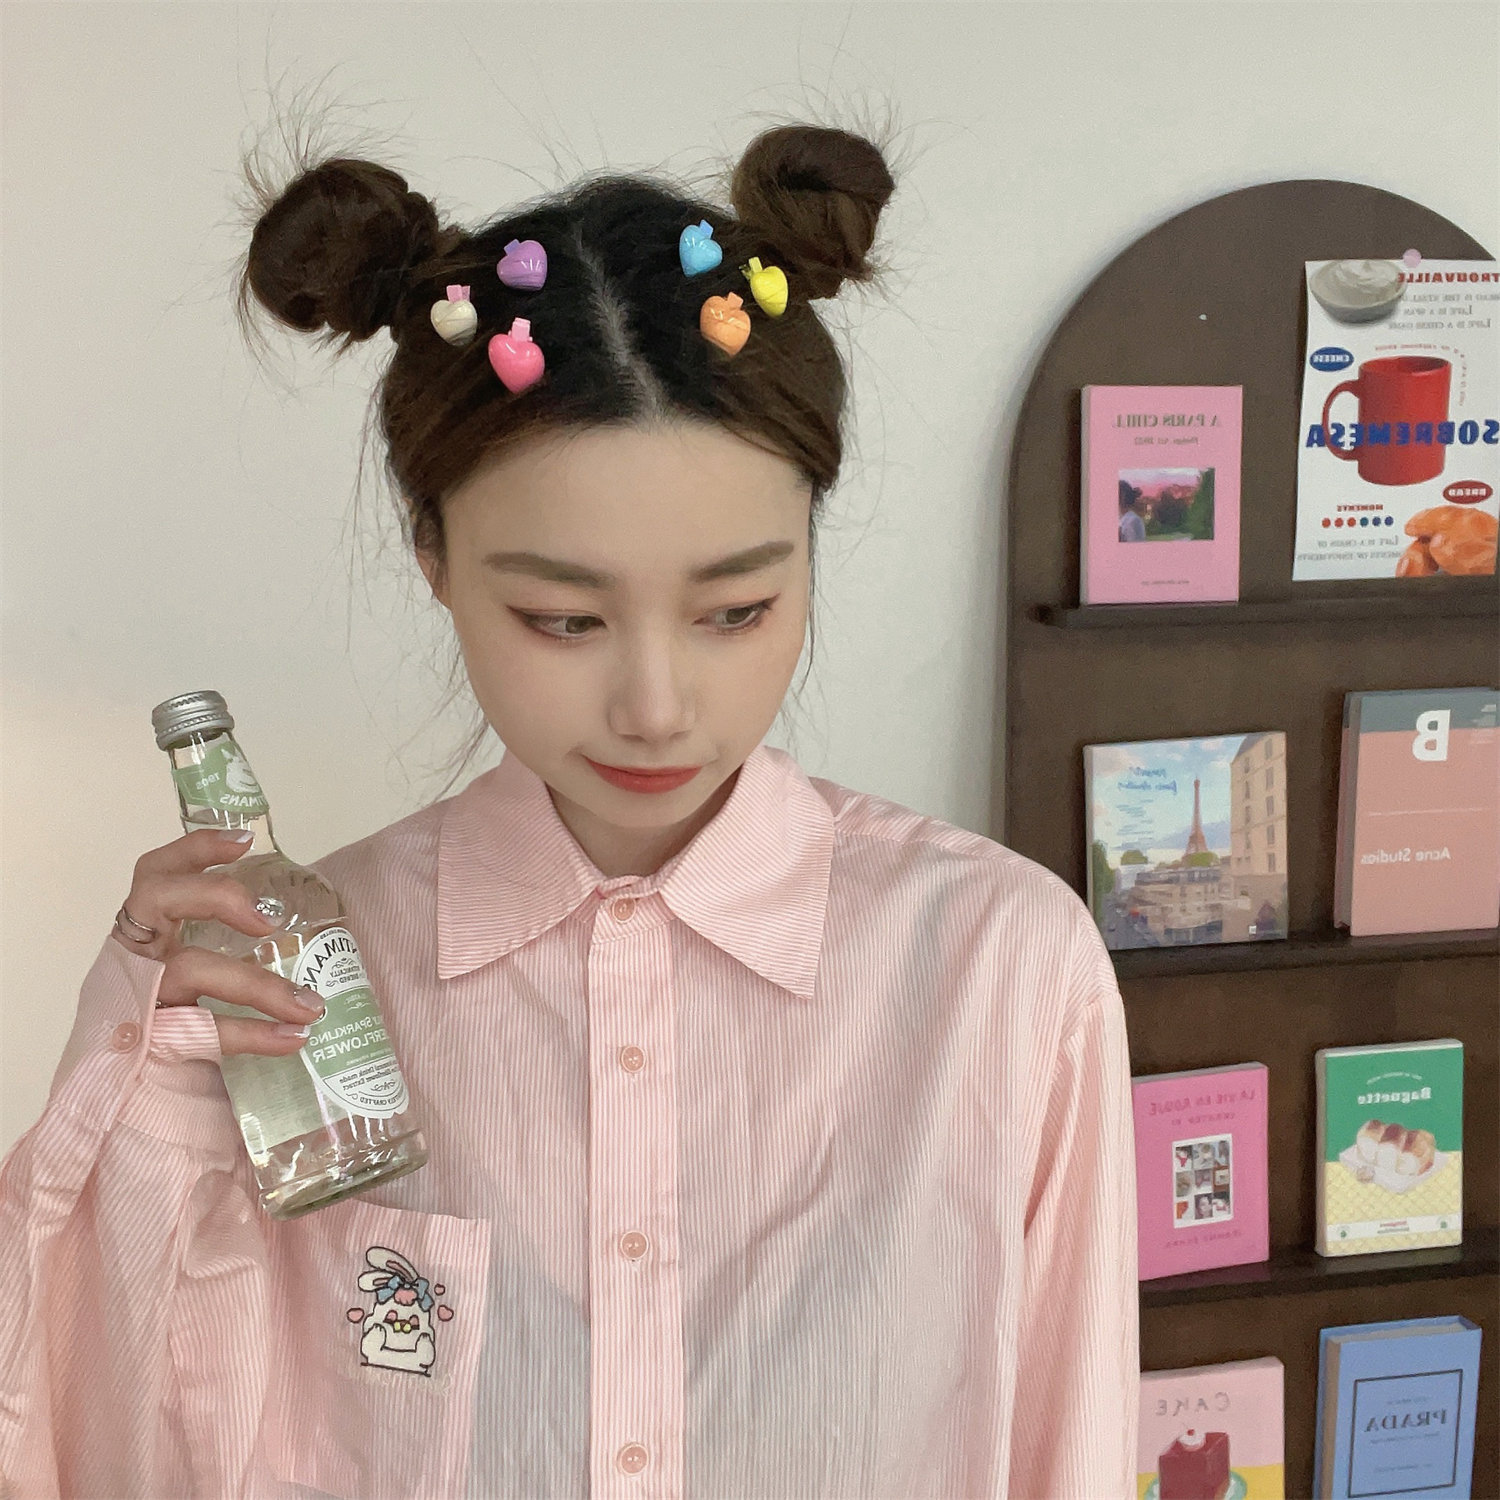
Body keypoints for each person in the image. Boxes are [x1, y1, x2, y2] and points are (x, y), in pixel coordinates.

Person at [0, 118, 1138, 1499]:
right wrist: (146, 1092)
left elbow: (1070, 1450)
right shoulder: (294, 982)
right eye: (562, 618)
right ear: (432, 555)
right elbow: (118, 1440)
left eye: (737, 608)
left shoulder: (1000, 968)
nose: (656, 707)